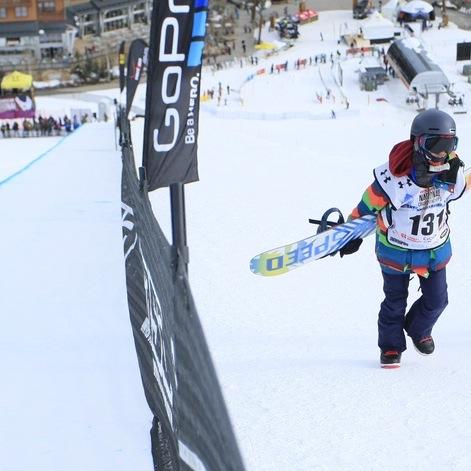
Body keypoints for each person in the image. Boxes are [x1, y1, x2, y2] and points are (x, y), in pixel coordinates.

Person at [341, 109, 468, 369]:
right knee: (394, 302)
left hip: (433, 249)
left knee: (438, 300)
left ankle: (418, 328)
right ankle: (390, 346)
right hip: (395, 251)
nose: (442, 153)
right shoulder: (394, 178)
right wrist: (350, 232)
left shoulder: (451, 171)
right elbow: (367, 205)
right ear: (418, 142)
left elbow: (463, 185)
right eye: (435, 145)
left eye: (449, 145)